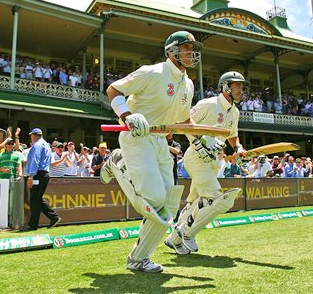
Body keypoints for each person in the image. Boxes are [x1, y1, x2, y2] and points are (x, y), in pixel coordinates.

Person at [100, 31, 202, 273]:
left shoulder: (188, 84)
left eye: (192, 48)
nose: (191, 52)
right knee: (155, 198)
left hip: (159, 142)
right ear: (171, 51)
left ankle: (138, 259)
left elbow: (181, 120)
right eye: (186, 47)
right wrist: (127, 115)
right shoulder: (152, 71)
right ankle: (117, 161)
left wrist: (199, 141)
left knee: (168, 204)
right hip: (137, 136)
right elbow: (113, 90)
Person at [166, 71, 247, 255]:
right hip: (195, 157)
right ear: (226, 86)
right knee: (215, 198)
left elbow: (232, 135)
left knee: (195, 200)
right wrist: (198, 141)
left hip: (212, 160)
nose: (241, 90)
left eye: (242, 86)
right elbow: (184, 121)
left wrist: (238, 148)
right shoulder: (208, 104)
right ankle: (187, 232)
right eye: (237, 86)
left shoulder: (234, 112)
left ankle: (174, 240)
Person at [24, 128, 60, 230]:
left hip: (38, 174)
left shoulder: (37, 145)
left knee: (35, 200)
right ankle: (53, 217)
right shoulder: (46, 145)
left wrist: (31, 176)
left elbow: (35, 160)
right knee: (37, 198)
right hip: (45, 174)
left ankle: (33, 225)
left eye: (31, 135)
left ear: (33, 135)